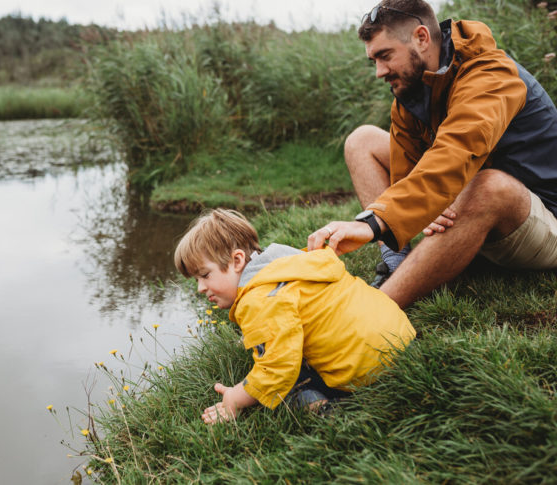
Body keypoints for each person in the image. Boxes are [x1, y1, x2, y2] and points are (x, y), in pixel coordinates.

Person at [308, 0, 557, 308]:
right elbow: (405, 174)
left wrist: (372, 223)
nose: (378, 71)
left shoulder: (491, 74)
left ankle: (375, 311)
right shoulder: (410, 93)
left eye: (385, 56)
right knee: (362, 141)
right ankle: (396, 264)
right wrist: (425, 208)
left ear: (422, 38)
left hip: (541, 218)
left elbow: (456, 152)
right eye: (374, 60)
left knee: (489, 186)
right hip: (470, 204)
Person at [174, 209, 415, 423]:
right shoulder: (291, 263)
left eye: (205, 275)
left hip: (370, 370)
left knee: (285, 381)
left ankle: (325, 411)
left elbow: (277, 369)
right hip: (403, 341)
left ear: (237, 260)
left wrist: (235, 397)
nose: (200, 288)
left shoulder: (258, 300)